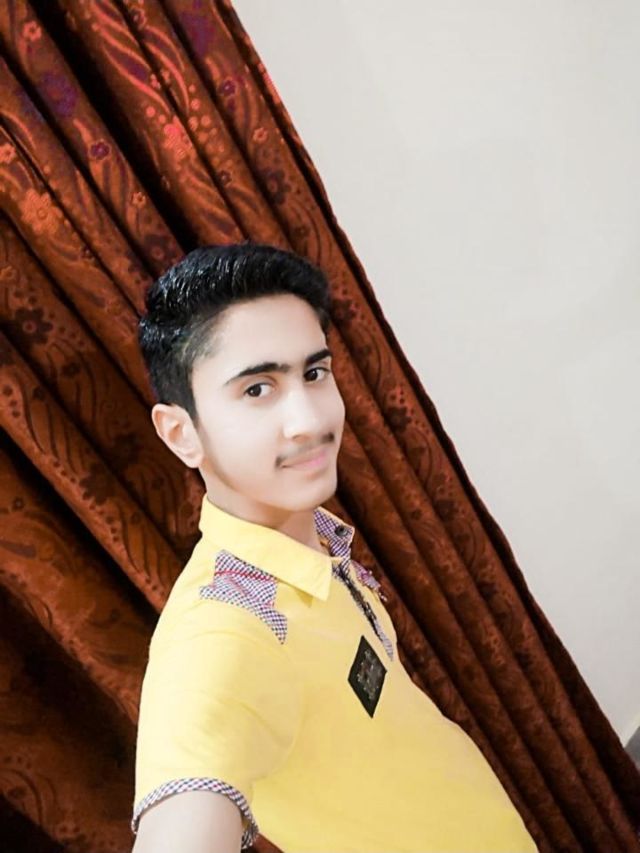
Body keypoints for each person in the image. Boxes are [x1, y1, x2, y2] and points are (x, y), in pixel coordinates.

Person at [131, 243, 538, 853]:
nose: (310, 419)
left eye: (314, 374)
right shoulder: (222, 631)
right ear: (181, 433)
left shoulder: (315, 535)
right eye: (257, 389)